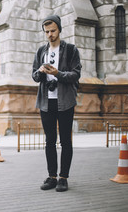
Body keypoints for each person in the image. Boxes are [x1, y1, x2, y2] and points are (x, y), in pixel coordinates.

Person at [32, 15, 82, 192]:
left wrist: (58, 73)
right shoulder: (41, 51)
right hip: (46, 102)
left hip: (65, 102)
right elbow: (34, 76)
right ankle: (52, 176)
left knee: (66, 141)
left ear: (59, 29)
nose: (50, 34)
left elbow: (76, 74)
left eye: (53, 31)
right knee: (49, 141)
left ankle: (64, 178)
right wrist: (40, 72)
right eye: (46, 32)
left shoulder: (70, 50)